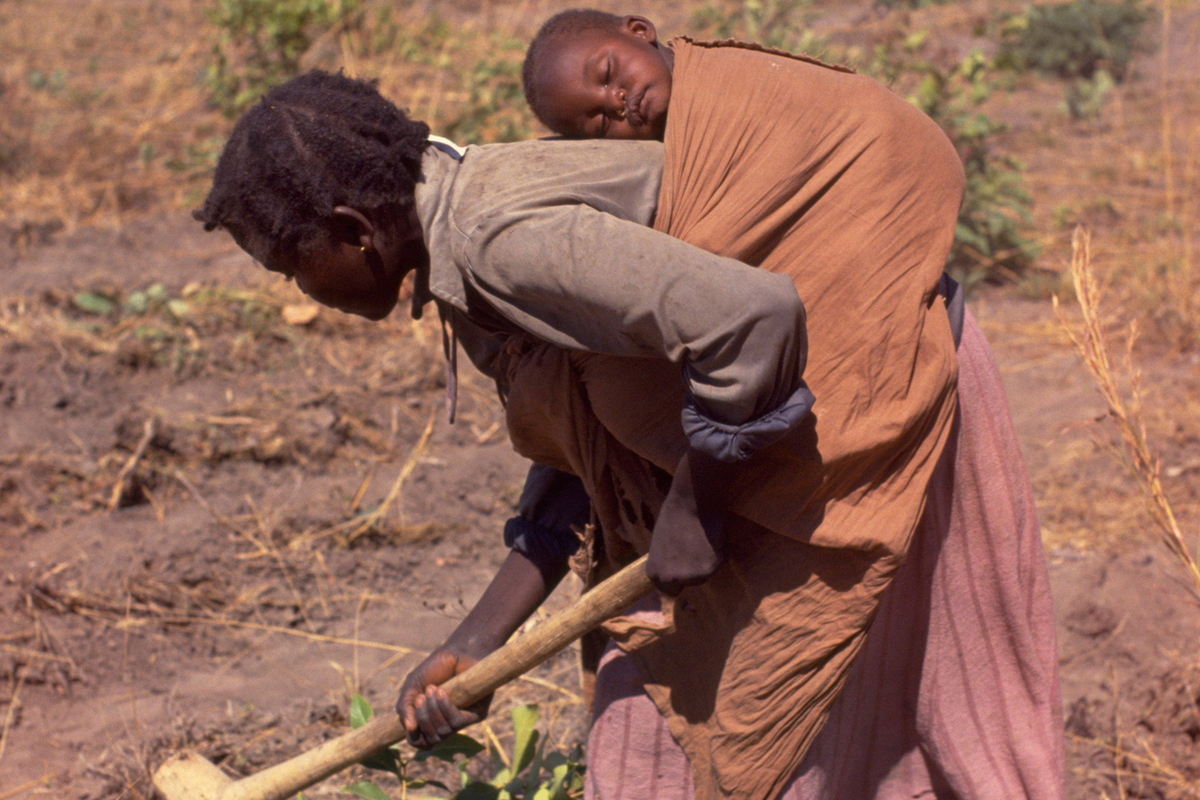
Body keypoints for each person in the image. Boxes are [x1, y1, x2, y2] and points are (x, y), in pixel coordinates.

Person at [518, 10, 1066, 800]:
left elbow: (899, 159)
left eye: (609, 77)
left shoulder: (767, 102)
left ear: (639, 29)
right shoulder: (631, 192)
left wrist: (698, 491)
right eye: (596, 120)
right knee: (772, 679)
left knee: (946, 652)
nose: (619, 108)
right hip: (757, 454)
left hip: (908, 383)